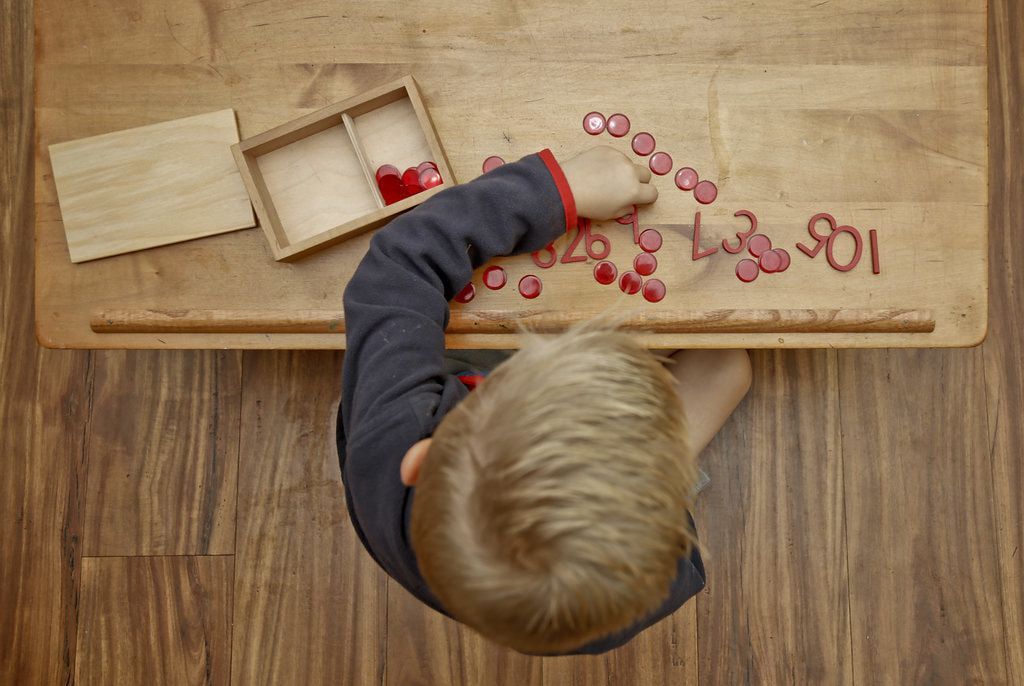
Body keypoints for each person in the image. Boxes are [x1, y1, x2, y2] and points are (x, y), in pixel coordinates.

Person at [337, 146, 751, 654]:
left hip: (435, 395)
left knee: (715, 355)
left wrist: (558, 191)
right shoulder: (628, 596)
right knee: (729, 364)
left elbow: (399, 264)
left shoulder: (389, 438)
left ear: (419, 460)